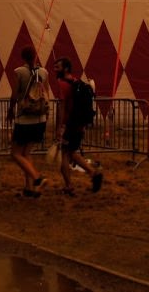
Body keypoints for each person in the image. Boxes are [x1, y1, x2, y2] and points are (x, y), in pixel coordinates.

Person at [54, 57, 103, 195]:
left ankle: (69, 185)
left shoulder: (62, 84)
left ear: (66, 68)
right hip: (79, 124)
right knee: (71, 152)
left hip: (69, 124)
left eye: (57, 67)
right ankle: (93, 173)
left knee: (64, 154)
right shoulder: (77, 81)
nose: (55, 69)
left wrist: (59, 127)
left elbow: (62, 107)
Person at [8, 45, 49, 197]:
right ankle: (29, 188)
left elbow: (14, 95)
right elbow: (46, 95)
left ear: (22, 57)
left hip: (24, 119)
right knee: (26, 153)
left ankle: (38, 178)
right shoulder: (44, 72)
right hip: (39, 119)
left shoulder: (19, 72)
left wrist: (10, 110)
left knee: (15, 153)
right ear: (36, 56)